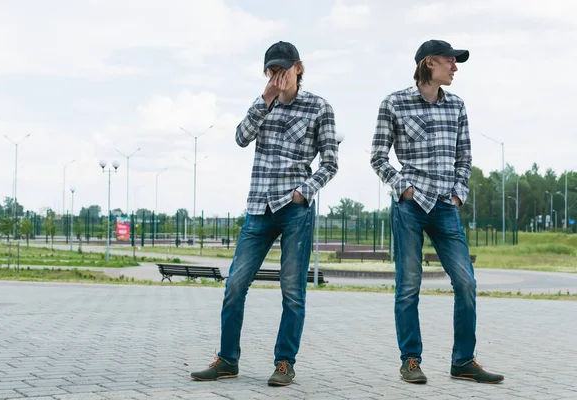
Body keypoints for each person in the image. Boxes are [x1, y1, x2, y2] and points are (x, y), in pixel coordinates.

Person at [191, 40, 339, 387]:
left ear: (298, 68)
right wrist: (264, 101)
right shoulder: (263, 105)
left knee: (292, 290)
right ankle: (227, 360)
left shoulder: (320, 107)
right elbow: (241, 138)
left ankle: (285, 363)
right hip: (259, 207)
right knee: (235, 285)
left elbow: (330, 163)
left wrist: (305, 191)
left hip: (295, 209)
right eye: (271, 71)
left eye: (282, 71)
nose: (277, 77)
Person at [370, 39, 504, 384]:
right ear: (429, 63)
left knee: (466, 282)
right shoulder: (394, 103)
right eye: (450, 61)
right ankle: (410, 361)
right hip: (410, 206)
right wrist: (404, 188)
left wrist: (458, 194)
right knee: (408, 285)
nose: (455, 67)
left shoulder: (457, 106)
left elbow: (465, 157)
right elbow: (378, 157)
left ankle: (463, 361)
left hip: (445, 206)